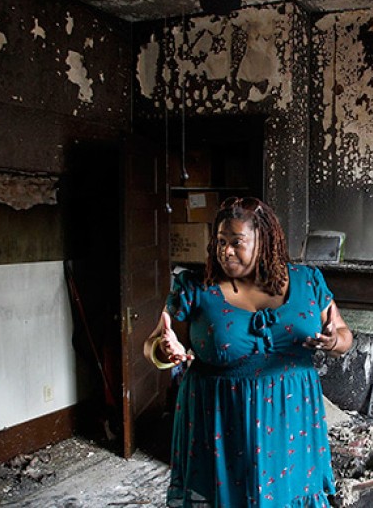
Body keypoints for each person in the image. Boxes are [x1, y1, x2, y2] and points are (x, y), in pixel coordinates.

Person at [144, 196, 353, 507]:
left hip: (292, 420)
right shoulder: (195, 287)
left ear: (264, 242)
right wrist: (164, 348)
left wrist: (335, 341)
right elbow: (152, 345)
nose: (225, 251)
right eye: (220, 241)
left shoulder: (307, 281)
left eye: (236, 242)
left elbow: (344, 336)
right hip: (221, 420)